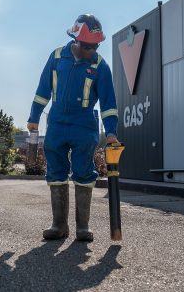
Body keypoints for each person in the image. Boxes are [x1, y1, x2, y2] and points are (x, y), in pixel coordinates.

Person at [27, 14, 119, 242]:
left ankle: (82, 227)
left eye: (95, 46)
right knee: (56, 170)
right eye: (87, 46)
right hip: (57, 122)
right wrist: (34, 118)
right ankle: (58, 225)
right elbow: (42, 90)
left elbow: (109, 104)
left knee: (84, 172)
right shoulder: (57, 57)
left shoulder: (100, 66)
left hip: (84, 124)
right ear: (75, 39)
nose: (91, 50)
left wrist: (111, 132)